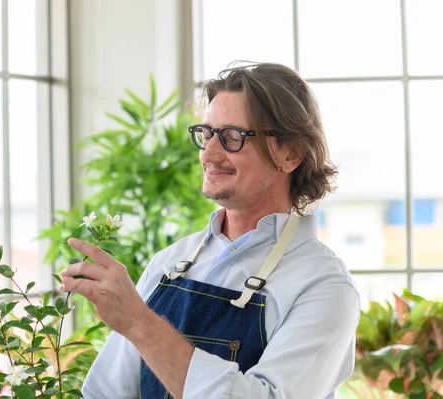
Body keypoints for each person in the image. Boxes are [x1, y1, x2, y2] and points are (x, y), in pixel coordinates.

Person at [59, 61, 360, 398]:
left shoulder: (323, 286)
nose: (209, 154)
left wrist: (140, 323)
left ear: (290, 154)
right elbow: (106, 392)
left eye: (232, 137)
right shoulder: (169, 263)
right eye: (206, 134)